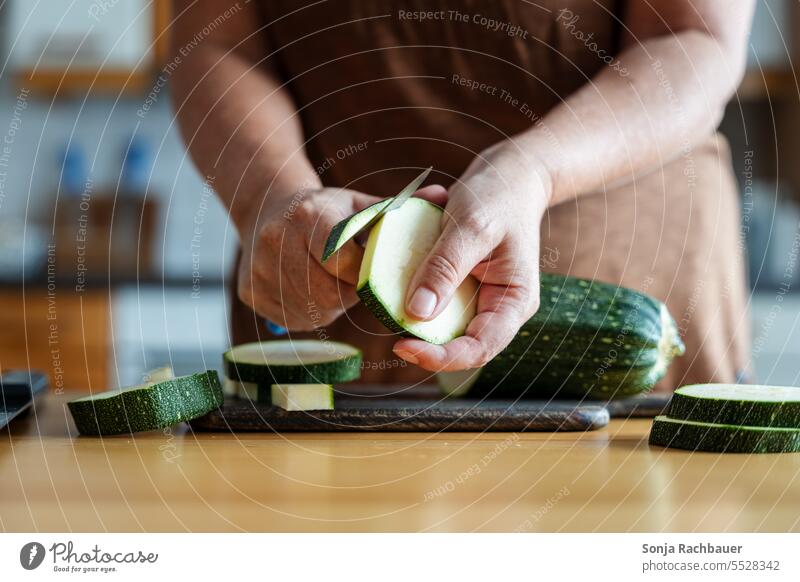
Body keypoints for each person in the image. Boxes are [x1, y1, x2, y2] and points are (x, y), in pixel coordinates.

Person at [171, 1, 755, 390]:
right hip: (333, 253)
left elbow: (694, 37)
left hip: (616, 253)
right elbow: (213, 43)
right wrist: (271, 194)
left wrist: (535, 169)